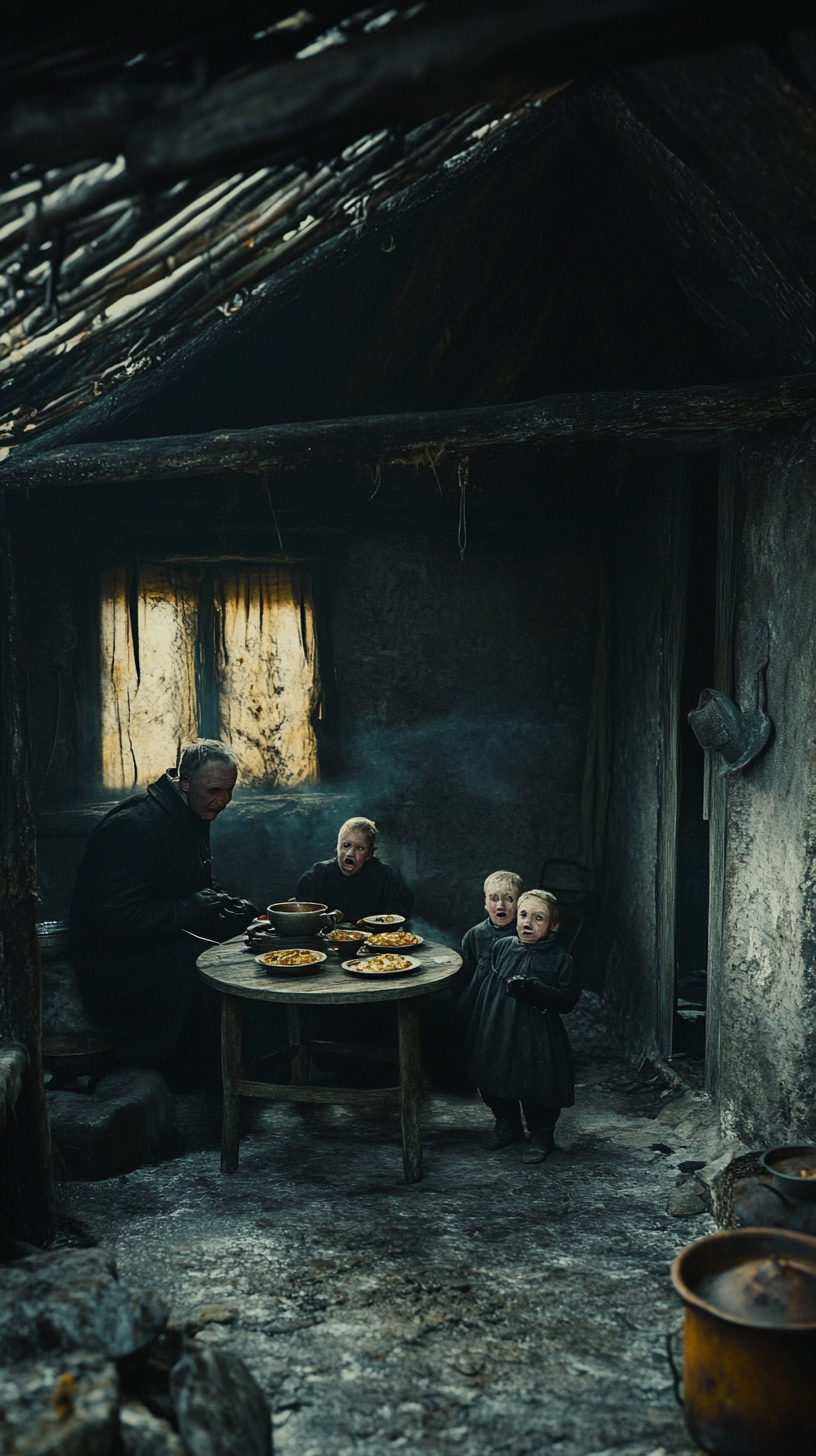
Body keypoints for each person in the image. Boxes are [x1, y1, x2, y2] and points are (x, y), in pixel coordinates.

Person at [70, 740, 257, 1071]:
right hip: (113, 962)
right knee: (205, 965)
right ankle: (199, 1074)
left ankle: (249, 1067)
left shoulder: (190, 810)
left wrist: (225, 903)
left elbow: (185, 881)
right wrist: (188, 908)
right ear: (185, 783)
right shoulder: (134, 826)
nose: (224, 801)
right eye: (214, 790)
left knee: (241, 941)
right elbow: (115, 919)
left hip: (153, 936)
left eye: (230, 790)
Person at [461, 889, 580, 1164]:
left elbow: (568, 1000)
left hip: (537, 1034)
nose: (527, 923)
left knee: (539, 1083)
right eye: (523, 915)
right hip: (498, 1027)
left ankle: (541, 1135)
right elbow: (489, 988)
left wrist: (538, 991)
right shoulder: (502, 947)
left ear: (554, 925)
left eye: (538, 918)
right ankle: (507, 1124)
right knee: (494, 1076)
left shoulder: (562, 960)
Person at [295, 817, 413, 923]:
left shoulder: (386, 876)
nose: (350, 854)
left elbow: (400, 909)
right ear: (337, 846)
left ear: (370, 854)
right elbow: (305, 916)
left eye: (360, 848)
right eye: (346, 845)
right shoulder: (316, 875)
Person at [458, 870, 524, 998]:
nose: (500, 905)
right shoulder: (474, 935)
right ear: (486, 903)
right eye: (494, 898)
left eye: (509, 898)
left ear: (520, 902)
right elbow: (466, 975)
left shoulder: (526, 935)